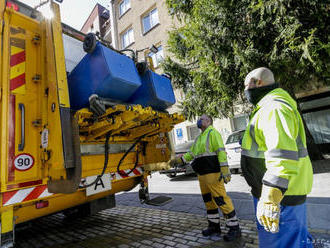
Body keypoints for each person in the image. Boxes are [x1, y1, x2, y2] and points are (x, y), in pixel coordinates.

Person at [241, 67, 314, 247]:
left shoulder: (272, 107)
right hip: (283, 194)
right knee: (297, 241)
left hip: (280, 197)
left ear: (258, 83)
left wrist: (270, 198)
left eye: (245, 86)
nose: (245, 92)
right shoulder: (271, 106)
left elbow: (281, 155)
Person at [170, 114, 241, 241]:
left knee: (221, 199)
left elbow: (221, 151)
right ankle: (214, 226)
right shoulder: (199, 138)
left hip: (212, 173)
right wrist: (179, 160)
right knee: (208, 200)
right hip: (202, 174)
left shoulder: (213, 133)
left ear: (208, 121)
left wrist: (225, 170)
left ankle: (234, 228)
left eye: (201, 119)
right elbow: (191, 154)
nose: (199, 121)